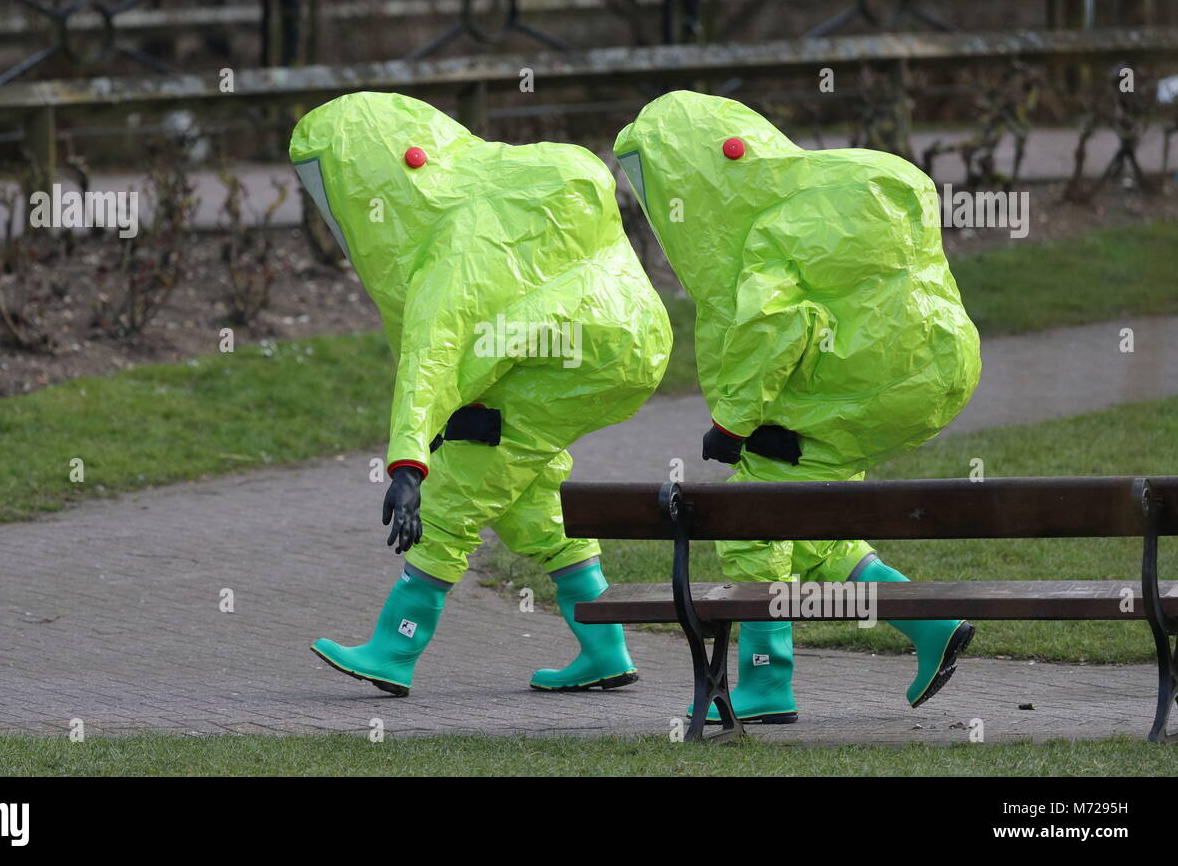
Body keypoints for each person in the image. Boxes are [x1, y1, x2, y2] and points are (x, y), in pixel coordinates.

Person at [613, 90, 982, 722]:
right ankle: (930, 624)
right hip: (918, 380)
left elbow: (775, 328)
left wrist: (733, 424)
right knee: (810, 518)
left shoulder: (768, 229)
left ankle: (765, 680)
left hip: (852, 394)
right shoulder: (820, 197)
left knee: (754, 516)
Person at [291, 92, 671, 696]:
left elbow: (433, 355)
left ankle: (395, 648)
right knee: (533, 496)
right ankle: (605, 647)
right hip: (618, 342)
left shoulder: (457, 241)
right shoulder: (500, 189)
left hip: (568, 357)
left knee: (458, 484)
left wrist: (409, 464)